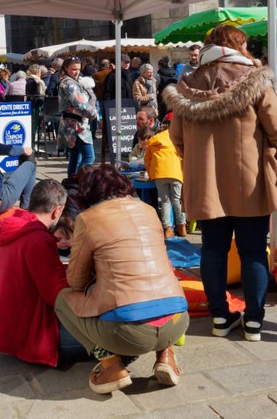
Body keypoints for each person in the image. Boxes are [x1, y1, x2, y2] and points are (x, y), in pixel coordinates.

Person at [164, 24, 277, 342]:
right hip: (249, 180)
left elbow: (176, 138)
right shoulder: (255, 79)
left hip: (206, 182)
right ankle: (255, 322)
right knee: (252, 252)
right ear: (239, 45)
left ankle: (220, 317)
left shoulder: (188, 82)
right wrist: (271, 156)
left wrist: (197, 160)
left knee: (213, 250)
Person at [54, 165, 189, 395]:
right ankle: (166, 355)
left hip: (127, 333)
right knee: (154, 292)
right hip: (178, 322)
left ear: (87, 194)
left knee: (62, 300)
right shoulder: (149, 211)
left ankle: (111, 365)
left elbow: (76, 281)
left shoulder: (88, 219)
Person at [0, 179, 88, 366]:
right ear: (57, 210)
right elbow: (56, 296)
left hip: (6, 330)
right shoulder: (38, 239)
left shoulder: (8, 228)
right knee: (116, 335)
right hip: (32, 337)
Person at [144, 120, 187, 238]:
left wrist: (151, 175)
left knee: (165, 201)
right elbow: (183, 156)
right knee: (177, 200)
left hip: (159, 173)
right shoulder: (176, 139)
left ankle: (167, 229)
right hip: (176, 173)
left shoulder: (154, 140)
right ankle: (182, 226)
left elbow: (147, 160)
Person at [58, 56, 98, 178]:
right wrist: (93, 112)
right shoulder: (69, 83)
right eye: (73, 69)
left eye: (78, 69)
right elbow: (79, 103)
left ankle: (71, 185)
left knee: (75, 157)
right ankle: (79, 181)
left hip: (72, 124)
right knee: (89, 157)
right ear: (66, 68)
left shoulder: (72, 81)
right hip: (76, 125)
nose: (76, 72)